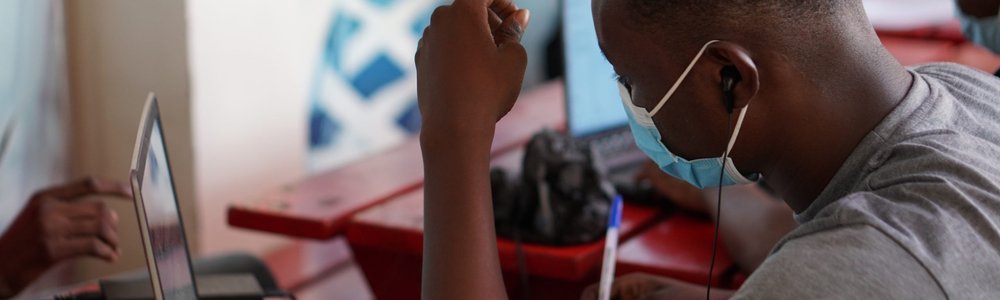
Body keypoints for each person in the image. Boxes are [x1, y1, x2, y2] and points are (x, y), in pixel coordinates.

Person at [415, 0, 1000, 299]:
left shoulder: (845, 274)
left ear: (730, 80)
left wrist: (455, 136)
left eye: (631, 79)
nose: (632, 102)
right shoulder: (969, 94)